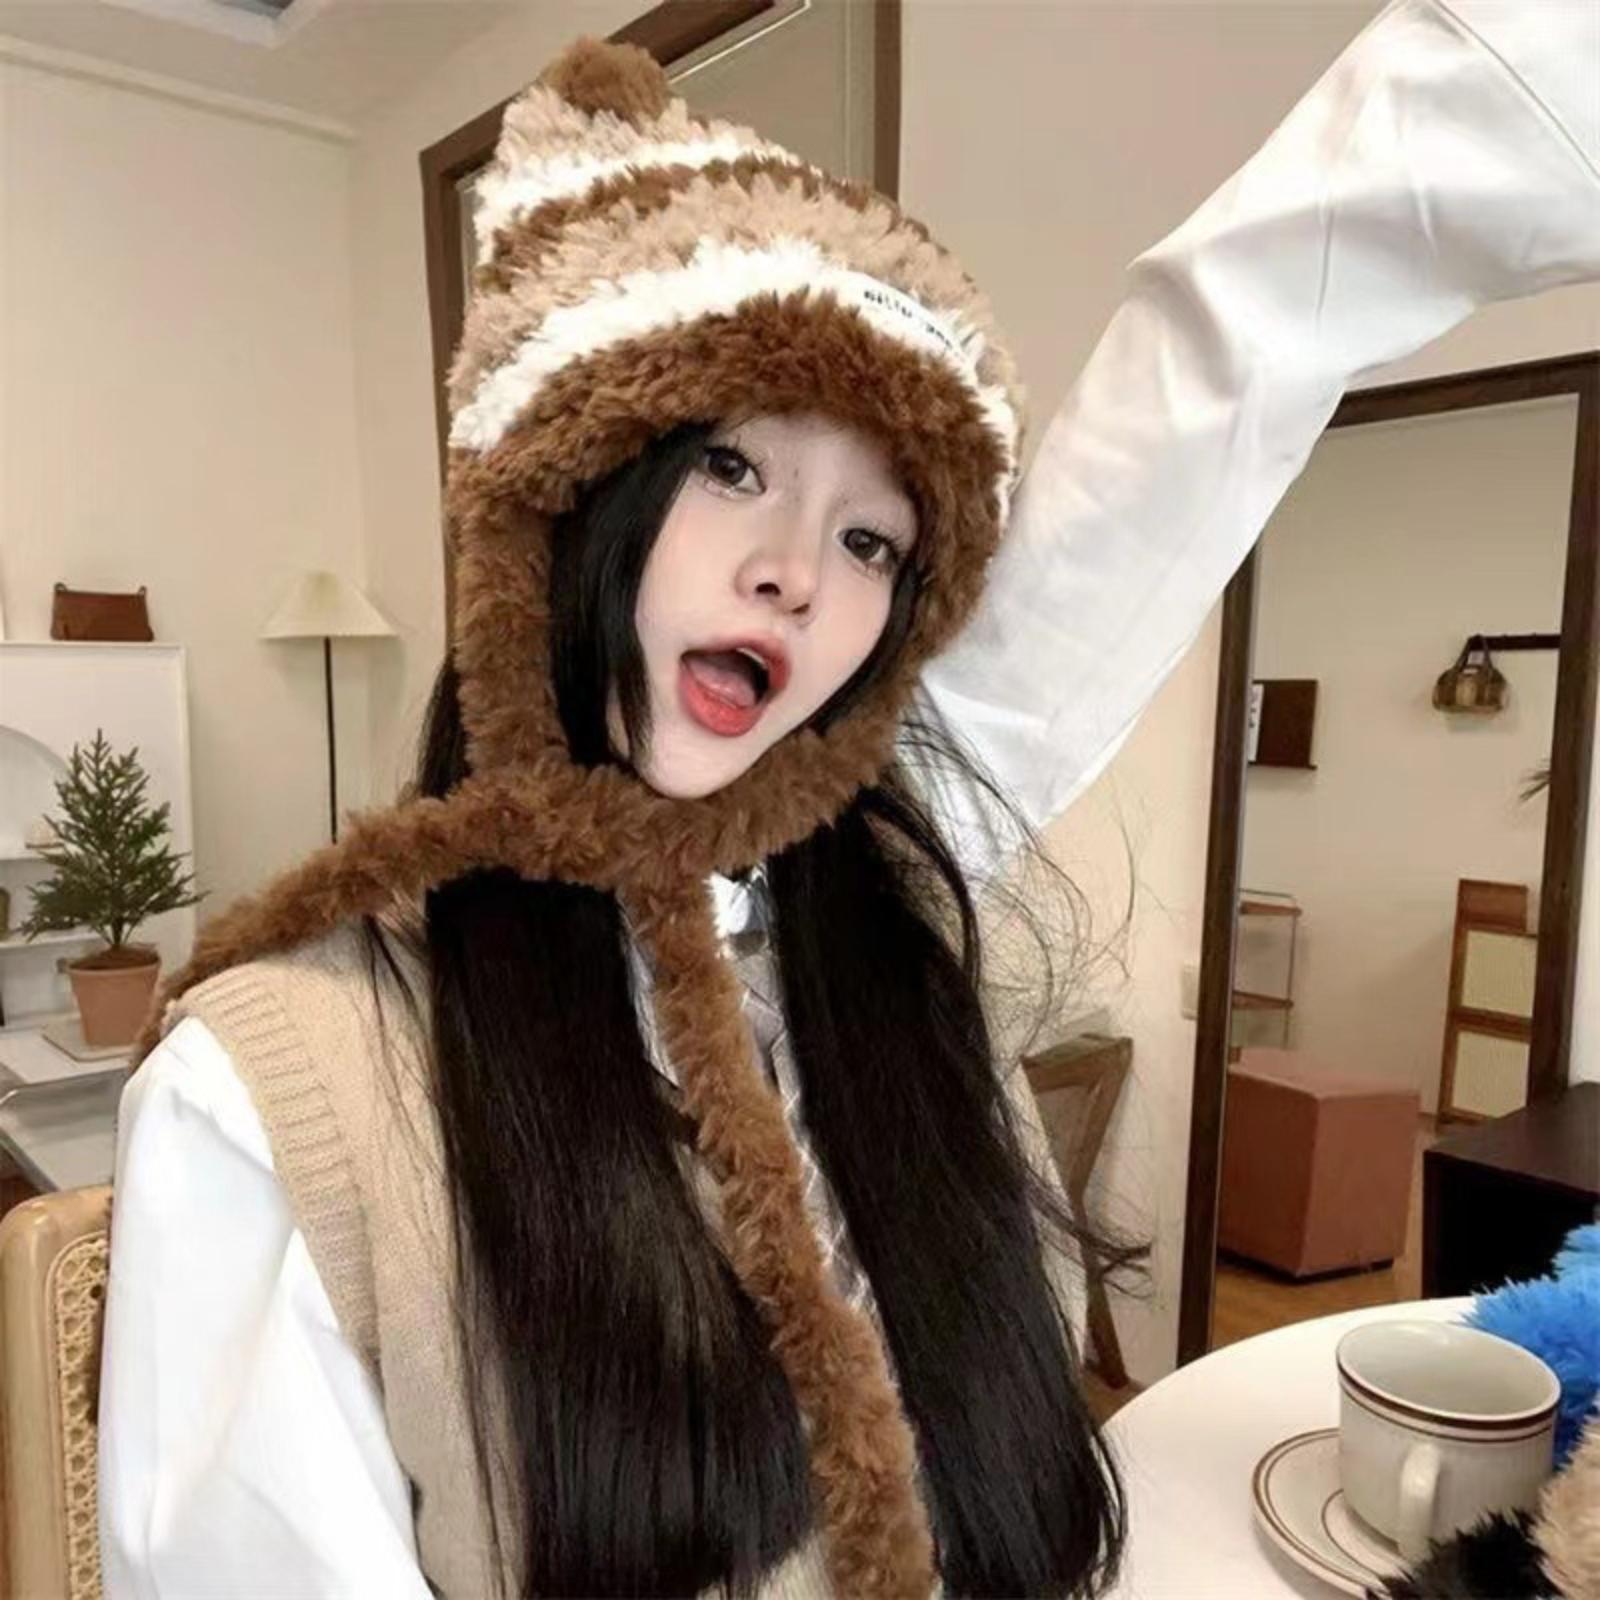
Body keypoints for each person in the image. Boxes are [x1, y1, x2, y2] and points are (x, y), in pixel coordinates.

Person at [98, 2, 1600, 1596]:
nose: (798, 574)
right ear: (564, 485)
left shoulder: (867, 912)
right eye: (731, 467)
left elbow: (1198, 403)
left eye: (872, 538)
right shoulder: (268, 1103)